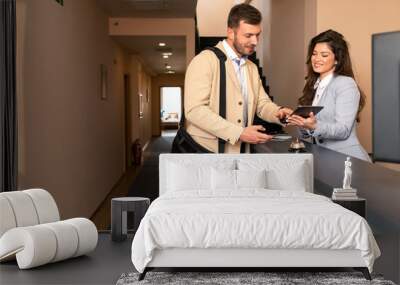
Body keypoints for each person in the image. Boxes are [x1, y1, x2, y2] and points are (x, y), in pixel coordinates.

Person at [184, 4, 292, 153]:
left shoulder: (252, 67)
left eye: (257, 35)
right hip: (207, 154)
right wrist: (239, 133)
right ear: (230, 32)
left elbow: (262, 103)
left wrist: (279, 113)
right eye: (248, 35)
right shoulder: (204, 60)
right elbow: (195, 110)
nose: (255, 41)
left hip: (241, 153)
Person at [287, 29, 371, 162]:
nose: (317, 59)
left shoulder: (345, 84)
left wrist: (315, 126)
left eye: (324, 55)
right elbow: (310, 131)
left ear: (337, 59)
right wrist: (301, 123)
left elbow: (343, 130)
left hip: (347, 160)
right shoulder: (313, 85)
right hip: (324, 158)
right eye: (314, 54)